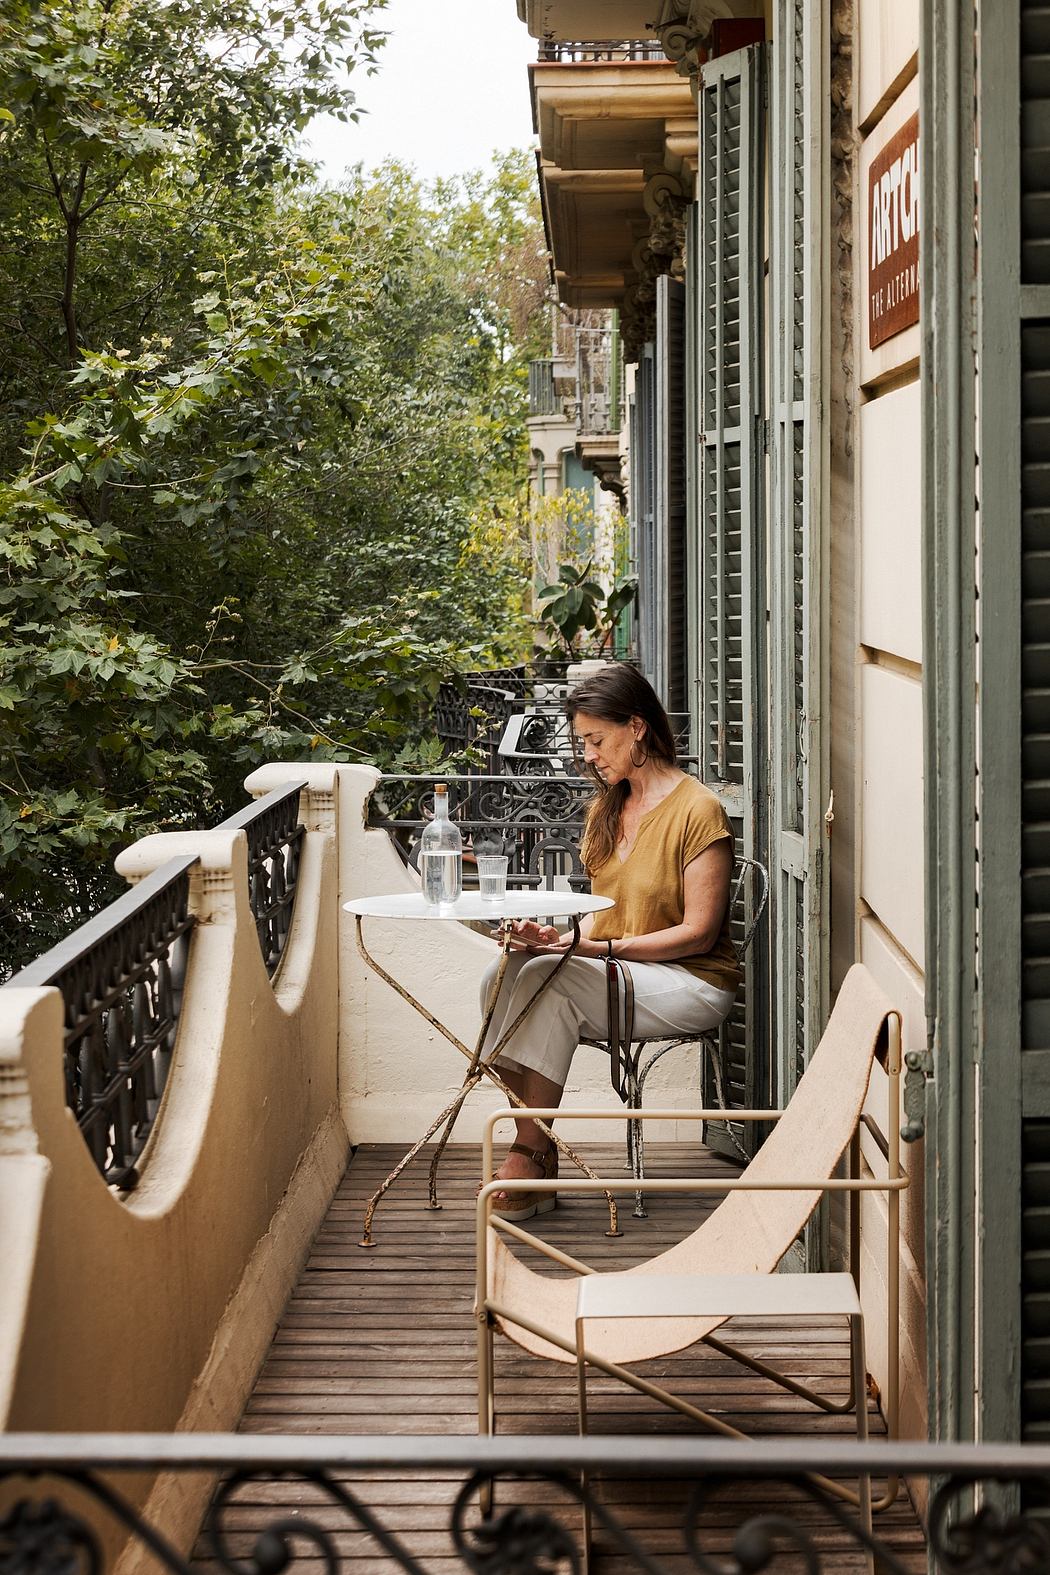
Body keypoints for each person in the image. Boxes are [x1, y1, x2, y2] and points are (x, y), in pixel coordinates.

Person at [478, 664, 741, 1220]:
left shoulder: (698, 810)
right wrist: (553, 939)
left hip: (691, 981)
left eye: (597, 740)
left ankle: (531, 1152)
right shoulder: (609, 807)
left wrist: (590, 951)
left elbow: (698, 933)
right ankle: (537, 1145)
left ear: (637, 727)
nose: (588, 756)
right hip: (620, 972)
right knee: (501, 974)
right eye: (583, 743)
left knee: (550, 983)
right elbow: (606, 918)